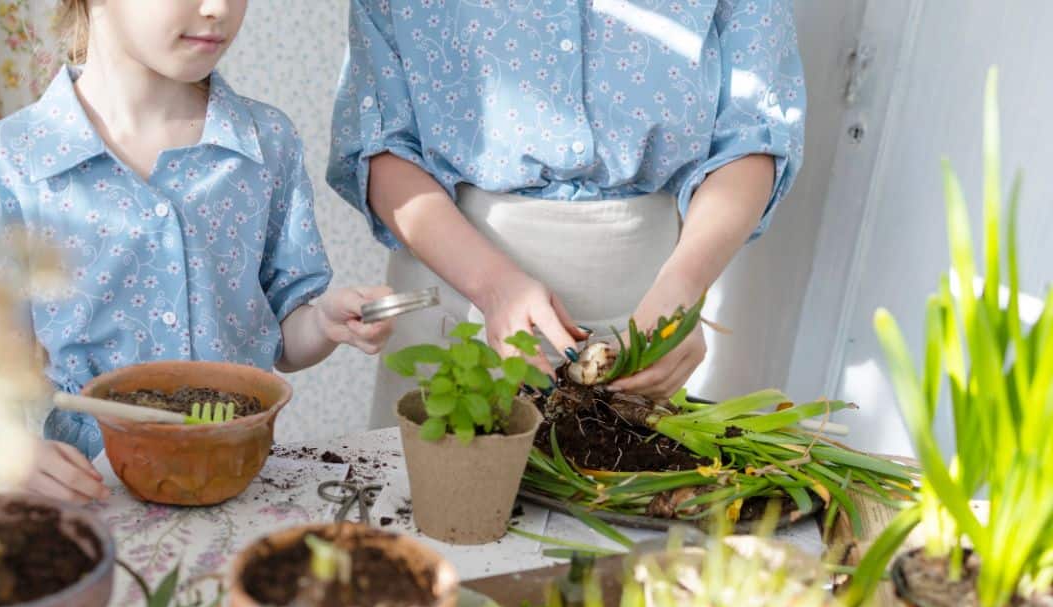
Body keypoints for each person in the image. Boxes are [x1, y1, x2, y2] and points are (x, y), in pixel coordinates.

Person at [0, 0, 393, 503]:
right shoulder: (9, 163)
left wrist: (323, 323)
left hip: (238, 480)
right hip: (92, 490)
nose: (218, 9)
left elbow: (285, 339)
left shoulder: (266, 143)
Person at [329, 0, 806, 428]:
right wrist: (492, 285)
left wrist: (685, 284)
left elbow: (751, 139)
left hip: (648, 307)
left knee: (617, 513)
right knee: (434, 513)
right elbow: (380, 144)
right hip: (456, 292)